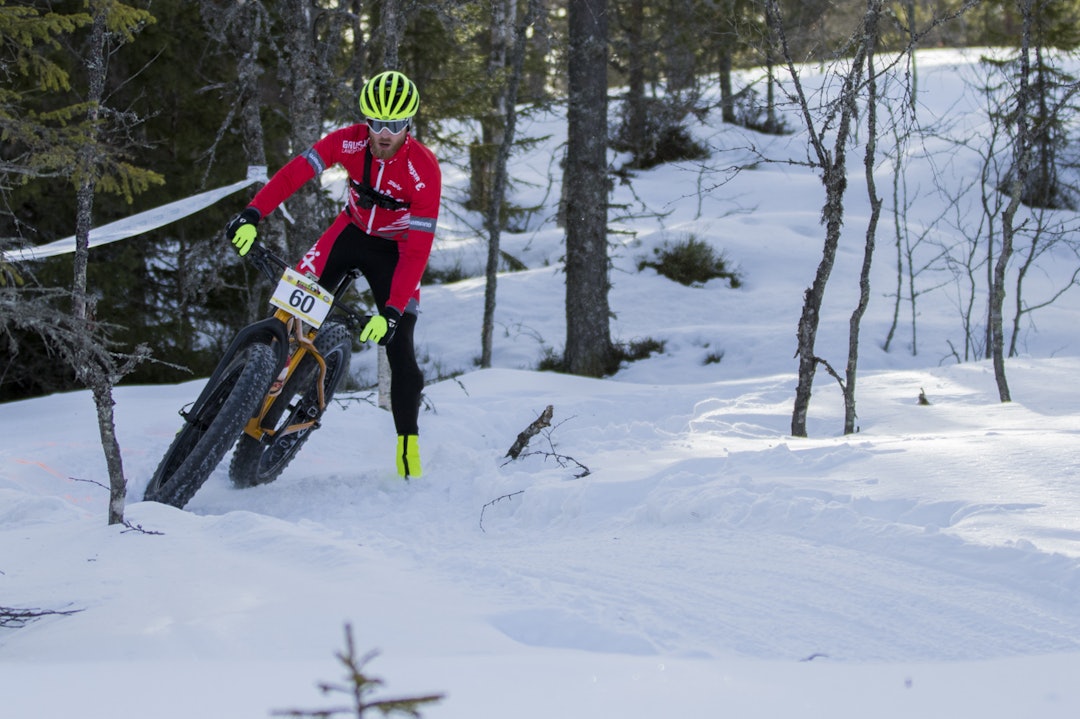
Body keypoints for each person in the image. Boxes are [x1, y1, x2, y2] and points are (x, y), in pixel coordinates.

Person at [224, 70, 441, 479]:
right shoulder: (348, 140)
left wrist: (392, 311)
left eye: (394, 126)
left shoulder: (424, 169)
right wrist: (253, 213)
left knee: (401, 348)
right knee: (289, 311)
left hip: (395, 252)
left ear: (408, 124)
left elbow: (418, 249)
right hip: (349, 232)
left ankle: (407, 444)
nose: (383, 134)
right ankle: (248, 393)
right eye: (376, 123)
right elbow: (294, 174)